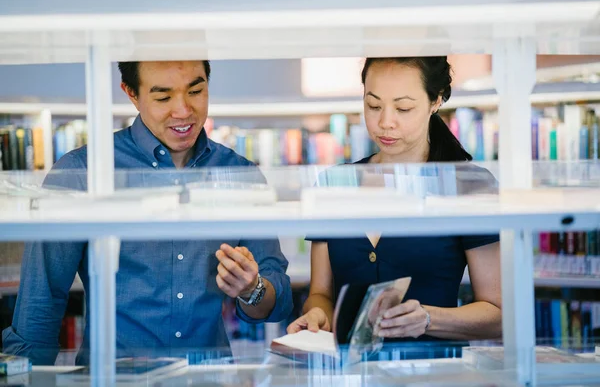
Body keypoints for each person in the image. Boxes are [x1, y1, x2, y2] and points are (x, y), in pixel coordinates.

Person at [2, 60, 293, 365]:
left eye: (196, 90)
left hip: (211, 377)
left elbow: (278, 302)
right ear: (131, 93)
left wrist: (252, 288)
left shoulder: (239, 174)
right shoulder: (82, 172)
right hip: (114, 381)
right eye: (163, 97)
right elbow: (41, 302)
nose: (183, 111)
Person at [287, 57, 501, 356]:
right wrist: (318, 314)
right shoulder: (335, 182)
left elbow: (498, 314)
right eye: (373, 106)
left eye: (403, 108)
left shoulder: (468, 184)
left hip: (436, 373)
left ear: (435, 101)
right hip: (353, 373)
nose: (385, 121)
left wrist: (428, 319)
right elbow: (321, 293)